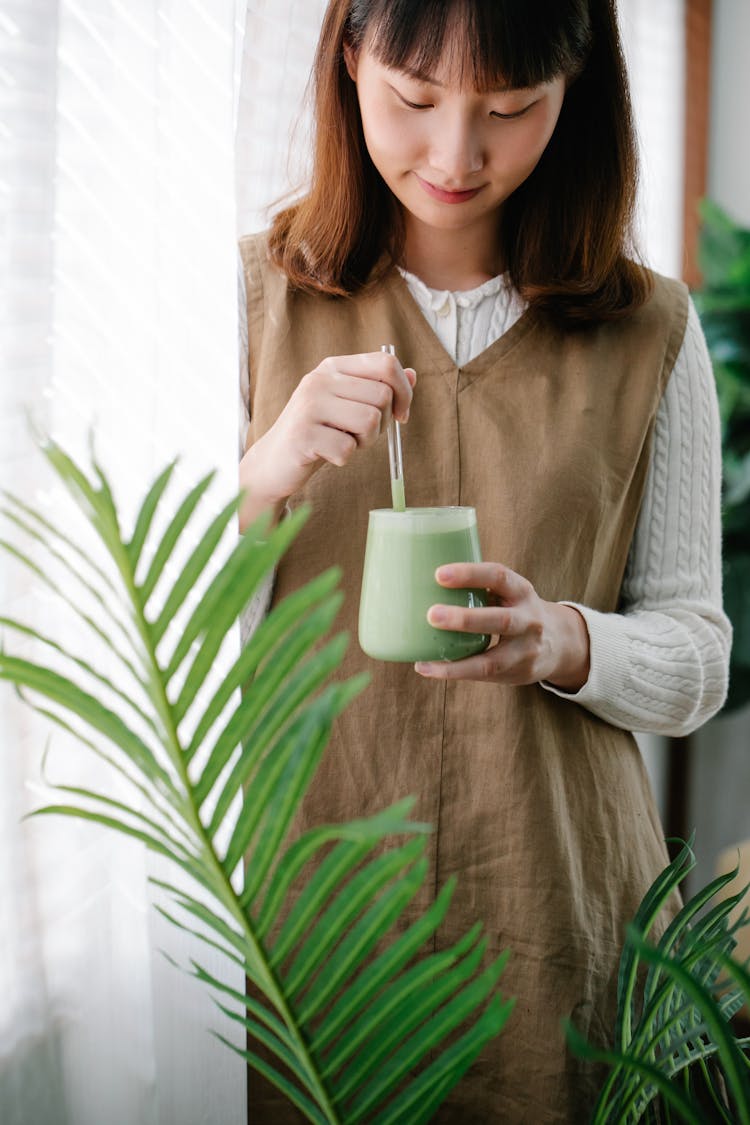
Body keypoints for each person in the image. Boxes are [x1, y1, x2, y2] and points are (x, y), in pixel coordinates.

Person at [237, 1, 731, 1121]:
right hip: (323, 921)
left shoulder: (650, 328)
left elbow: (700, 662)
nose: (457, 156)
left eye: (510, 110)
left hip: (562, 918)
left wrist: (564, 638)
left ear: (576, 89)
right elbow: (143, 634)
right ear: (351, 60)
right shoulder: (250, 299)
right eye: (414, 101)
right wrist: (266, 476)